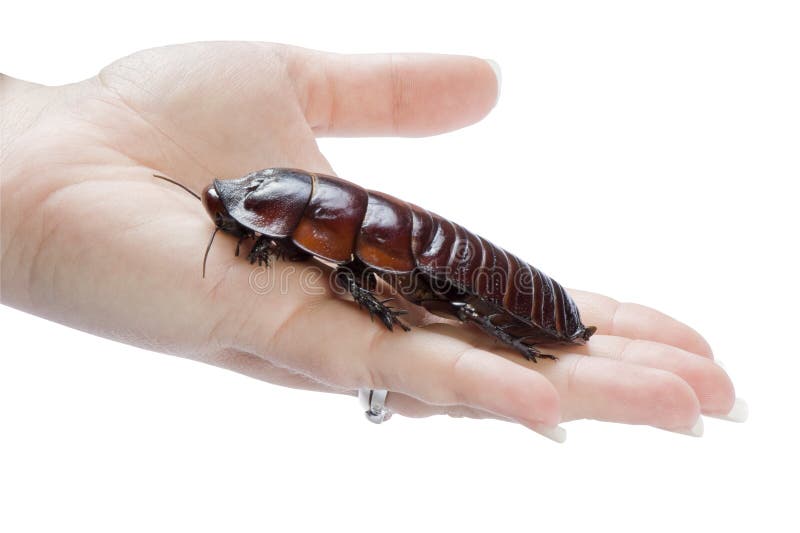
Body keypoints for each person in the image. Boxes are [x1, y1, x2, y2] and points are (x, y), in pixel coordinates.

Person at [0, 41, 746, 442]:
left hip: (503, 285)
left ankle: (523, 336)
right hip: (418, 249)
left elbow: (338, 259)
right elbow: (329, 253)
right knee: (426, 286)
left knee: (455, 293)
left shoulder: (329, 240)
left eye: (251, 213)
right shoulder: (317, 231)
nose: (237, 219)